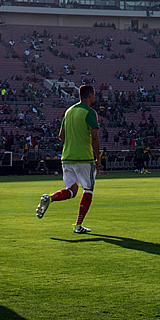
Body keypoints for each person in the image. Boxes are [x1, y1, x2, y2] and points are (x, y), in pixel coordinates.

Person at [35, 84, 100, 234]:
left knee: (72, 190)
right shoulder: (90, 112)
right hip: (84, 158)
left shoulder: (69, 111)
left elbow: (61, 135)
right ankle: (78, 225)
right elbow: (95, 137)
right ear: (89, 95)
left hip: (67, 157)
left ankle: (50, 198)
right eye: (94, 95)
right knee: (88, 190)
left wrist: (70, 146)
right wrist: (98, 158)